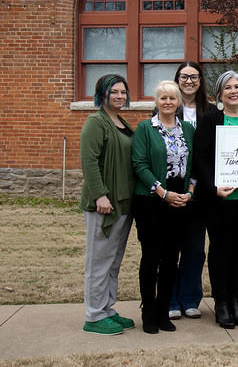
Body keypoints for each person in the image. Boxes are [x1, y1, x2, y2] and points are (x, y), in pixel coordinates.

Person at [193, 70, 238, 329]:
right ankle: (221, 303)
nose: (234, 91)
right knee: (220, 250)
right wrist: (214, 186)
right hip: (219, 200)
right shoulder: (209, 119)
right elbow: (200, 160)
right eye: (228, 88)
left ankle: (235, 301)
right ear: (220, 93)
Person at [132, 81, 195, 334]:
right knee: (151, 257)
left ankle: (163, 311)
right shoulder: (145, 129)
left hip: (180, 201)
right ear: (156, 102)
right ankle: (148, 313)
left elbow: (194, 165)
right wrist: (163, 192)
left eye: (172, 98)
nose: (168, 102)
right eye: (163, 98)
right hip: (151, 201)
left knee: (172, 258)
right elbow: (139, 164)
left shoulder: (188, 129)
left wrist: (189, 193)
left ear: (178, 102)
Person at [79, 74, 136, 335]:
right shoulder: (96, 122)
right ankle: (93, 315)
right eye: (114, 92)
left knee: (113, 261)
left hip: (122, 203)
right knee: (98, 262)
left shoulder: (121, 122)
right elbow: (89, 162)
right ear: (102, 94)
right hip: (103, 204)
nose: (119, 96)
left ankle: (107, 309)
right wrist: (100, 194)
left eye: (123, 92)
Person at [168, 62, 216, 321]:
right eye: (184, 76)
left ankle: (190, 298)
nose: (188, 81)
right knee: (171, 246)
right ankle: (171, 299)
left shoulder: (208, 111)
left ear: (200, 81)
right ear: (177, 80)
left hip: (202, 189)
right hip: (173, 188)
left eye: (194, 77)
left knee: (195, 248)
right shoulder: (165, 108)